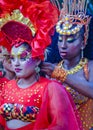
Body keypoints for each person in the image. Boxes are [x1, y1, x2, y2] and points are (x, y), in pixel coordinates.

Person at [0, 0, 82, 130]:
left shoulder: (51, 88)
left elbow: (61, 126)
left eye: (22, 57)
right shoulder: (7, 87)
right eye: (13, 58)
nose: (16, 63)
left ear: (37, 59)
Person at [41, 0, 93, 130]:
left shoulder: (89, 67)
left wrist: (60, 74)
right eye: (60, 40)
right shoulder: (51, 69)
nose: (63, 45)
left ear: (83, 42)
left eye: (70, 40)